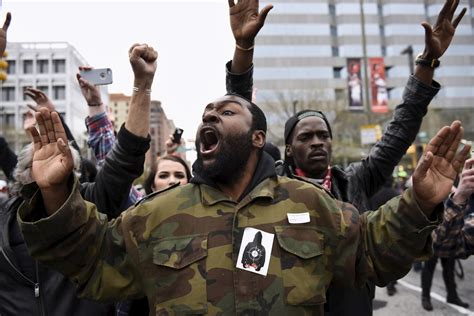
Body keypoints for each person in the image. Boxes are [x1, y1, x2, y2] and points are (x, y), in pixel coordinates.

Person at [17, 78, 471, 316]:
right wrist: (56, 190)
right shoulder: (156, 214)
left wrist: (419, 201)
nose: (209, 115)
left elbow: (372, 252)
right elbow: (92, 260)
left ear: (257, 138)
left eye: (225, 111)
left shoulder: (310, 205)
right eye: (205, 113)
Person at [224, 0, 466, 313]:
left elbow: (399, 130)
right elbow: (240, 123)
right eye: (306, 137)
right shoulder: (267, 185)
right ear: (288, 148)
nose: (317, 143)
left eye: (323, 135)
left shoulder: (355, 180)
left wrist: (428, 61)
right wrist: (244, 47)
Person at [0, 43, 155, 316]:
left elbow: (124, 161)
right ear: (21, 173)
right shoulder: (3, 217)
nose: (50, 164)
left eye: (62, 161)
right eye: (40, 156)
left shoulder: (91, 203)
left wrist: (142, 85)